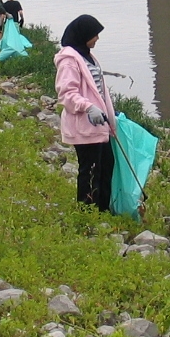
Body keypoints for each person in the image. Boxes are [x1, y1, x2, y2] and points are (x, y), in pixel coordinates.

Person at [54, 14, 115, 211]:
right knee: (89, 170)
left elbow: (98, 89)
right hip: (85, 126)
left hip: (100, 124)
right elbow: (66, 94)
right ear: (84, 35)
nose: (97, 38)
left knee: (106, 166)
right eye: (94, 34)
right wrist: (88, 107)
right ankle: (87, 212)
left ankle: (103, 210)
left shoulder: (88, 55)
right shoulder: (69, 61)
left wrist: (110, 116)